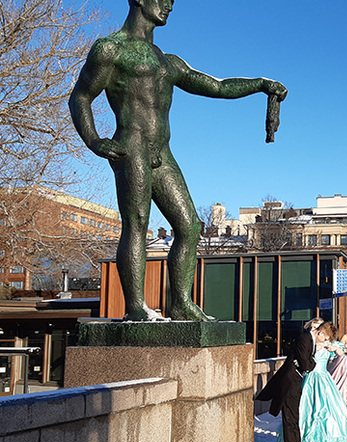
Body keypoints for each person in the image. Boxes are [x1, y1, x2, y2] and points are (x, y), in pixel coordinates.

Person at [69, 0, 287, 321]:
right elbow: (81, 96)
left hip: (163, 154)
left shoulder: (167, 62)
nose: (169, 5)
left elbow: (217, 86)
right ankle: (135, 308)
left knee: (189, 227)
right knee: (137, 223)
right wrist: (94, 139)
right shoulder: (111, 50)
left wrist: (261, 85)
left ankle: (179, 303)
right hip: (132, 148)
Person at [276, 322, 347, 442]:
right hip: (309, 378)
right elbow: (305, 361)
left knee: (329, 410)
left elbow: (342, 351)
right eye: (324, 337)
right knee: (305, 411)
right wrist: (319, 349)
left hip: (324, 379)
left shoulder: (328, 344)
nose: (325, 340)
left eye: (327, 338)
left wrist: (334, 348)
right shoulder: (309, 342)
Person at [255, 318, 316, 442]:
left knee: (294, 421)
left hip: (294, 383)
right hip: (289, 384)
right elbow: (307, 364)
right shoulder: (305, 339)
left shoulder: (309, 341)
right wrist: (312, 361)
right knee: (290, 421)